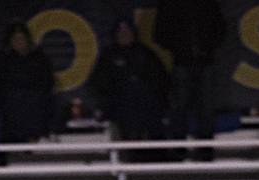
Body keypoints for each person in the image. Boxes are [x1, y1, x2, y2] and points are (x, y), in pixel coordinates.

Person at [154, 0, 225, 159]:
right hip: (182, 62)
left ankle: (205, 148)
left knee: (206, 106)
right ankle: (179, 147)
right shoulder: (170, 4)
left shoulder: (208, 4)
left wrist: (208, 47)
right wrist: (178, 49)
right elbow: (159, 32)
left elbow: (220, 27)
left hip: (205, 62)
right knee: (179, 107)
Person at [90, 18, 168, 154]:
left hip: (145, 106)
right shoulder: (108, 55)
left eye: (127, 31)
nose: (124, 34)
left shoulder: (145, 53)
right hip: (119, 106)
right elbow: (99, 83)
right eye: (120, 32)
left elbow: (160, 80)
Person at [0, 23, 55, 143]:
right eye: (15, 39)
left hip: (35, 106)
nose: (18, 42)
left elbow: (48, 82)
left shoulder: (39, 58)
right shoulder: (2, 59)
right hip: (11, 107)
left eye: (21, 38)